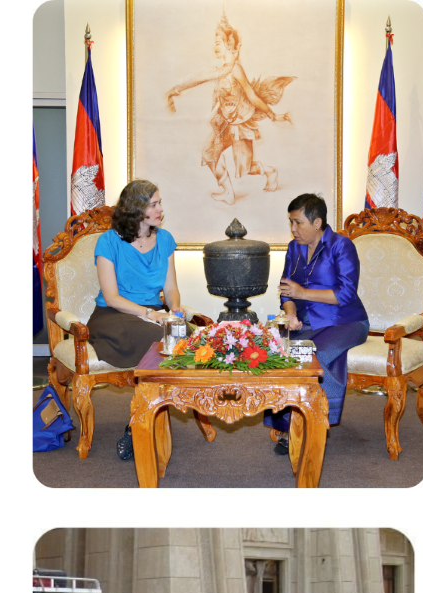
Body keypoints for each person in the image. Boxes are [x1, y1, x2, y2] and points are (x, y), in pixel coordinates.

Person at [264, 193, 369, 455]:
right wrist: (290, 314)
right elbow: (286, 290)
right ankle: (288, 425)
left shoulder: (341, 246)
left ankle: (313, 423)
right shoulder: (294, 248)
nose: (293, 229)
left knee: (311, 356)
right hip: (306, 321)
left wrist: (303, 294)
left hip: (346, 321)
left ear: (317, 223)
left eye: (298, 223)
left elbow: (345, 295)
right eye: (291, 223)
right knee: (278, 353)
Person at [87, 179, 182, 459]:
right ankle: (142, 422)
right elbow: (112, 297)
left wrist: (174, 312)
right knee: (157, 340)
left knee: (185, 336)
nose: (161, 209)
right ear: (135, 209)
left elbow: (171, 288)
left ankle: (142, 419)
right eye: (154, 204)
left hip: (154, 312)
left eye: (160, 202)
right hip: (114, 315)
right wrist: (151, 315)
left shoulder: (164, 239)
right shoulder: (108, 241)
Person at [165, 11, 294, 204]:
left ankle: (270, 171)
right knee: (209, 153)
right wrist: (177, 89)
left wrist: (272, 114)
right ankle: (228, 192)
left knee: (246, 168)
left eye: (218, 43)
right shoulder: (221, 70)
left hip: (241, 124)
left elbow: (252, 96)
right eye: (215, 43)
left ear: (229, 45)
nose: (214, 47)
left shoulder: (235, 69)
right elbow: (201, 76)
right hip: (224, 123)